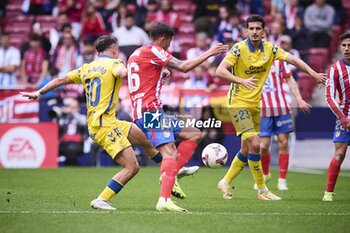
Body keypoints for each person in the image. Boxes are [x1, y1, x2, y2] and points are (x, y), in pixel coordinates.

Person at [20, 35, 164, 211]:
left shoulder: (86, 68)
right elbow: (125, 74)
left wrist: (38, 93)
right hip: (105, 125)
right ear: (114, 50)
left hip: (104, 122)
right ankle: (101, 199)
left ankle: (169, 168)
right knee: (132, 167)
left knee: (144, 138)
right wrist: (154, 71)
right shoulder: (115, 64)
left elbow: (59, 80)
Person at [215, 14, 326, 201]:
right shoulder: (239, 49)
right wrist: (241, 80)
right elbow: (220, 71)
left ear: (264, 30)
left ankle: (225, 181)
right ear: (247, 30)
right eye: (251, 28)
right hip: (237, 103)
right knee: (256, 144)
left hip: (255, 105)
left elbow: (293, 60)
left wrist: (313, 73)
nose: (255, 32)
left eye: (258, 28)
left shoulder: (270, 49)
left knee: (246, 149)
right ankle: (262, 190)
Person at [128, 23, 227, 212]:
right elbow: (183, 66)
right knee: (169, 153)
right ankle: (164, 200)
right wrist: (210, 53)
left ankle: (170, 175)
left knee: (194, 133)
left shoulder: (136, 53)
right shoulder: (155, 50)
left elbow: (143, 76)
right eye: (169, 42)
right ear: (163, 39)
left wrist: (160, 74)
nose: (169, 47)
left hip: (149, 111)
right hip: (150, 112)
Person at [256, 31, 311, 191]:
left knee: (283, 142)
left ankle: (282, 179)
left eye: (265, 37)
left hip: (281, 106)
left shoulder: (278, 60)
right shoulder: (250, 61)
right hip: (263, 108)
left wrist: (299, 98)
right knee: (263, 146)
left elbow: (290, 79)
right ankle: (266, 174)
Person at [323, 31, 350, 202]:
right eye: (344, 45)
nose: (347, 49)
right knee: (339, 154)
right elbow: (329, 96)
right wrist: (342, 117)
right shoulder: (334, 70)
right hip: (345, 117)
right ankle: (328, 193)